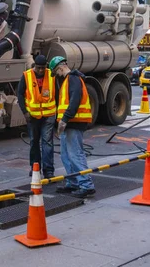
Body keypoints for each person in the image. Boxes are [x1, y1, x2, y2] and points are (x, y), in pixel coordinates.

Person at [49, 56, 96, 199]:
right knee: (66, 155)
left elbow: (75, 100)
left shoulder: (73, 79)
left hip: (74, 123)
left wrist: (65, 119)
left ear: (61, 68)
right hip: (69, 123)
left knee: (75, 154)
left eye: (56, 71)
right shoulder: (68, 81)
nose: (56, 75)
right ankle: (73, 181)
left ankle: (86, 185)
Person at [17, 55, 56, 179]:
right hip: (32, 116)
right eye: (38, 68)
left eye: (43, 68)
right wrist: (25, 112)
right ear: (35, 66)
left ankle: (48, 170)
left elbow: (59, 93)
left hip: (48, 115)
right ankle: (35, 167)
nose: (41, 71)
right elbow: (20, 94)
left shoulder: (51, 75)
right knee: (34, 142)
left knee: (47, 142)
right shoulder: (27, 76)